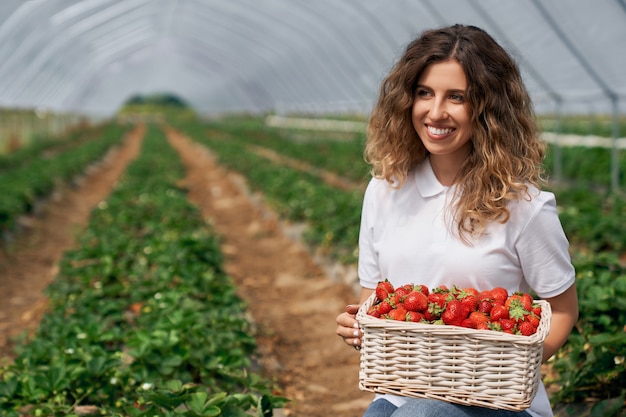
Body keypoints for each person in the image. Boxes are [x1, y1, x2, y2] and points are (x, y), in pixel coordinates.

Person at [335, 24, 579, 417]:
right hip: (402, 390)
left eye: (456, 98)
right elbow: (373, 300)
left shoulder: (523, 206)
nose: (435, 112)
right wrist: (358, 327)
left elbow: (564, 310)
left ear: (487, 108)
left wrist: (511, 365)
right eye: (424, 93)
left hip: (497, 401)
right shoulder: (384, 191)